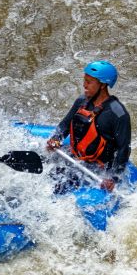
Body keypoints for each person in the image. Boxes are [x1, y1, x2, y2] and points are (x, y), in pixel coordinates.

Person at [46, 61, 131, 192]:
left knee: (58, 186)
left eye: (89, 82)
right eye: (84, 80)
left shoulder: (118, 114)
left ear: (102, 85)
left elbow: (123, 149)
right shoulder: (82, 101)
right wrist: (56, 138)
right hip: (75, 155)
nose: (84, 85)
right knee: (44, 166)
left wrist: (113, 178)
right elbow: (64, 125)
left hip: (98, 167)